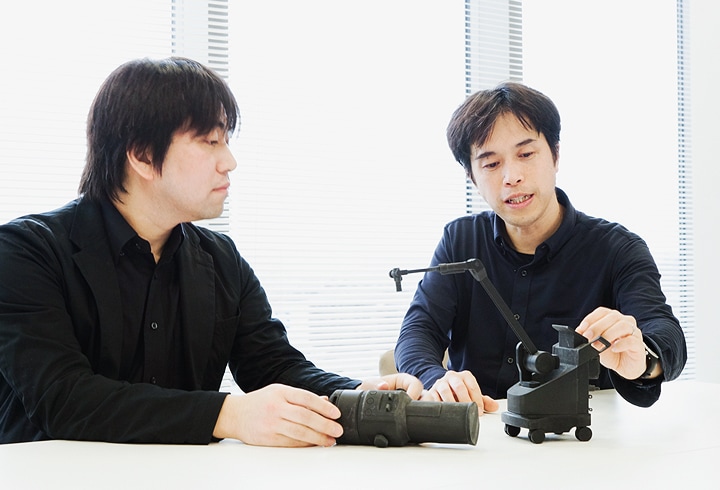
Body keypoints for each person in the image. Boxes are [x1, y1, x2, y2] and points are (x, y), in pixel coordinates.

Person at [0, 57, 421, 446]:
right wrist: (229, 414)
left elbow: (273, 367)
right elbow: (64, 399)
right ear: (143, 156)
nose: (230, 161)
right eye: (210, 141)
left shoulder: (221, 260)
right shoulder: (26, 252)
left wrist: (354, 392)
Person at [395, 82, 686, 412]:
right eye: (491, 164)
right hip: (479, 436)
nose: (511, 176)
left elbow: (666, 335)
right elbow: (419, 331)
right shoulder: (460, 240)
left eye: (526, 154)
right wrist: (437, 379)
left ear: (555, 155)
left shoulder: (617, 249)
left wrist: (643, 360)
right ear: (471, 177)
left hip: (578, 441)